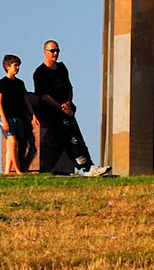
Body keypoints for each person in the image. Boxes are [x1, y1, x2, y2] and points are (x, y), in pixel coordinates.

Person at [32, 41, 108, 176]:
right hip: (51, 111)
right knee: (70, 137)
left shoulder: (61, 68)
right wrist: (59, 106)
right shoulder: (40, 72)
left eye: (57, 51)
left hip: (66, 110)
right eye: (52, 51)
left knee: (77, 136)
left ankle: (90, 165)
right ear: (45, 52)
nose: (55, 53)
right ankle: (86, 167)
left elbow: (69, 88)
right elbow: (43, 96)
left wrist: (68, 102)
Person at [0, 55, 32, 174]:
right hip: (6, 116)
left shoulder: (20, 84)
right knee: (12, 141)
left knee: (13, 144)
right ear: (8, 67)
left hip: (19, 116)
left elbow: (26, 99)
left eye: (18, 65)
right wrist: (4, 120)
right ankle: (17, 170)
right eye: (15, 65)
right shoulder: (2, 83)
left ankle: (7, 171)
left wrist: (33, 115)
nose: (17, 68)